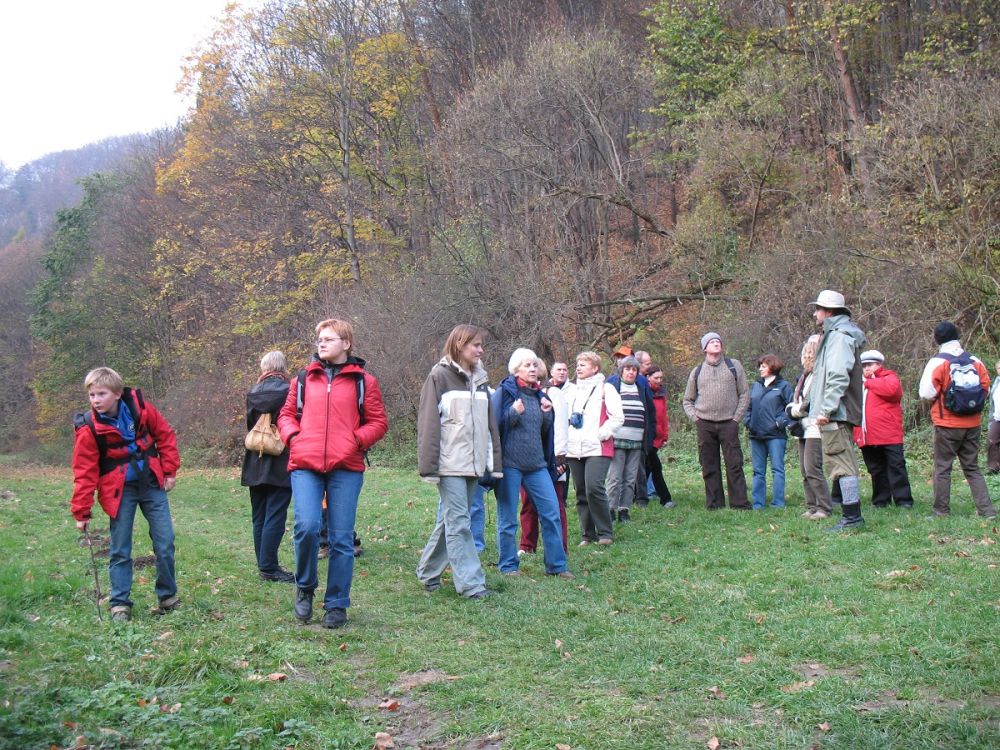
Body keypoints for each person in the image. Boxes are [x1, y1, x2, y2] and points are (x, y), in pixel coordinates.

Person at [278, 319, 389, 628]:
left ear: (346, 344)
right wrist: (293, 437)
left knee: (341, 539)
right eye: (319, 339)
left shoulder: (364, 381)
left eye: (329, 339)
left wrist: (355, 440)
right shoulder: (302, 379)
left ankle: (337, 603)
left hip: (346, 468)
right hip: (305, 465)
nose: (321, 343)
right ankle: (305, 588)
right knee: (307, 527)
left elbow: (378, 422)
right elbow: (285, 415)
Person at [70, 367, 180, 622]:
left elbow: (165, 435)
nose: (95, 400)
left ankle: (167, 596)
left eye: (101, 394)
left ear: (118, 393)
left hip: (152, 483)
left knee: (165, 542)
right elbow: (84, 471)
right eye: (91, 395)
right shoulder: (88, 427)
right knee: (120, 548)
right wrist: (82, 511)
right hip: (119, 492)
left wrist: (170, 470)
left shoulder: (141, 409)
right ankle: (120, 603)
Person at [416, 324, 502, 598]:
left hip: (473, 464)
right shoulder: (439, 376)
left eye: (480, 344)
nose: (480, 350)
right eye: (475, 344)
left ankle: (428, 572)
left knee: (451, 521)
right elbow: (428, 424)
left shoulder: (481, 379)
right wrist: (429, 466)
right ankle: (472, 584)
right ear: (460, 345)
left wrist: (492, 460)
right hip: (449, 464)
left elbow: (489, 424)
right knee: (459, 523)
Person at [492, 349, 572, 577]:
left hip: (537, 466)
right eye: (527, 365)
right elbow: (494, 426)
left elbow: (543, 432)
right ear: (516, 369)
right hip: (510, 465)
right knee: (508, 518)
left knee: (551, 512)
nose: (532, 369)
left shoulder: (541, 396)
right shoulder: (505, 393)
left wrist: (548, 415)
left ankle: (557, 566)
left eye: (535, 365)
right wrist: (513, 413)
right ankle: (508, 566)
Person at [917, 321, 996, 518]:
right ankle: (987, 511)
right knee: (972, 467)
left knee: (943, 468)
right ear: (958, 336)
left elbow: (926, 393)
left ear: (937, 339)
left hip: (947, 425)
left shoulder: (937, 362)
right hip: (973, 424)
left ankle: (941, 511)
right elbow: (985, 388)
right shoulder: (975, 361)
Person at [807, 290, 867, 531]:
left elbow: (838, 375)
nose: (815, 313)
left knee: (842, 464)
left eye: (818, 309)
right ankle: (851, 516)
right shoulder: (835, 334)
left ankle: (852, 517)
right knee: (840, 462)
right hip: (836, 411)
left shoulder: (839, 336)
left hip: (836, 412)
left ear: (829, 312)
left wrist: (827, 409)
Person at [241, 351, 294, 583]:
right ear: (283, 367)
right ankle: (269, 567)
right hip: (280, 458)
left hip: (255, 459)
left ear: (264, 368)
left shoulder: (253, 392)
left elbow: (250, 425)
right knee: (275, 514)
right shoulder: (290, 390)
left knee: (259, 515)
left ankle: (264, 564)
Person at [682, 332, 750, 510]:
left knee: (734, 464)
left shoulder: (734, 366)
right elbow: (687, 400)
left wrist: (736, 419)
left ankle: (740, 504)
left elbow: (744, 394)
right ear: (705, 348)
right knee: (709, 465)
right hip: (704, 424)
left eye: (718, 341)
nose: (716, 343)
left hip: (729, 423)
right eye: (711, 342)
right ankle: (714, 504)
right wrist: (696, 419)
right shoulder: (696, 371)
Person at [565, 351, 624, 546]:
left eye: (583, 364)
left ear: (595, 368)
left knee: (594, 487)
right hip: (574, 448)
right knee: (581, 491)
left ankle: (605, 533)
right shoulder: (571, 390)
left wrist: (603, 432)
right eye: (577, 364)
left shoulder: (606, 389)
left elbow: (617, 417)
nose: (578, 367)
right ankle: (587, 535)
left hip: (598, 447)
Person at [519, 360, 570, 556]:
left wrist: (560, 458)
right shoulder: (521, 394)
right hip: (528, 457)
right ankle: (527, 545)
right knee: (528, 504)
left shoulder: (553, 393)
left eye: (534, 367)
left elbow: (561, 427)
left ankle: (560, 548)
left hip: (551, 458)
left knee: (555, 504)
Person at [853, 350, 914, 508]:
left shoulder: (889, 377)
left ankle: (903, 501)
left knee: (896, 467)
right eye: (864, 365)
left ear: (879, 364)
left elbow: (892, 391)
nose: (867, 368)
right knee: (876, 469)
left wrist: (868, 382)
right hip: (867, 434)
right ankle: (881, 501)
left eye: (870, 365)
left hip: (889, 433)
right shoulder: (857, 382)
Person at [606, 356, 656, 522]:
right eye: (627, 369)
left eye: (634, 369)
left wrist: (648, 439)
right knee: (614, 477)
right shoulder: (613, 388)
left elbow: (650, 413)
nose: (631, 372)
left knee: (630, 478)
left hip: (636, 441)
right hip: (617, 440)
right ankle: (610, 509)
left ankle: (624, 510)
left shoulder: (641, 388)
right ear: (621, 371)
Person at [787, 335, 832, 519]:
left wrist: (793, 410)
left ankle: (824, 508)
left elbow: (808, 402)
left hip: (815, 426)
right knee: (805, 471)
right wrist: (793, 408)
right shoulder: (805, 376)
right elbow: (797, 400)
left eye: (808, 350)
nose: (805, 354)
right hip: (803, 427)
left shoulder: (821, 375)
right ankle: (812, 506)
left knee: (813, 468)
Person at [744, 354, 794, 510]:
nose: (760, 369)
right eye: (760, 366)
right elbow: (749, 406)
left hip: (776, 435)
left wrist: (780, 422)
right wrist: (748, 421)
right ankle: (758, 503)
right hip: (756, 434)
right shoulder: (756, 385)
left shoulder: (784, 385)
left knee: (777, 469)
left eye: (763, 366)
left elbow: (791, 408)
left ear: (773, 367)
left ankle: (778, 503)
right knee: (758, 471)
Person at [645, 365, 674, 508]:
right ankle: (666, 498)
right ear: (647, 377)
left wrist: (664, 436)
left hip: (657, 438)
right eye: (656, 378)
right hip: (647, 438)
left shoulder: (661, 394)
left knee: (646, 469)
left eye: (661, 378)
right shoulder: (644, 392)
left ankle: (633, 497)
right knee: (655, 467)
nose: (659, 380)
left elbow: (663, 417)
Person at [988, 360, 1000, 475]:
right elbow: (992, 402)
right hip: (997, 418)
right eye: (998, 368)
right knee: (992, 441)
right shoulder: (996, 382)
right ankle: (993, 468)